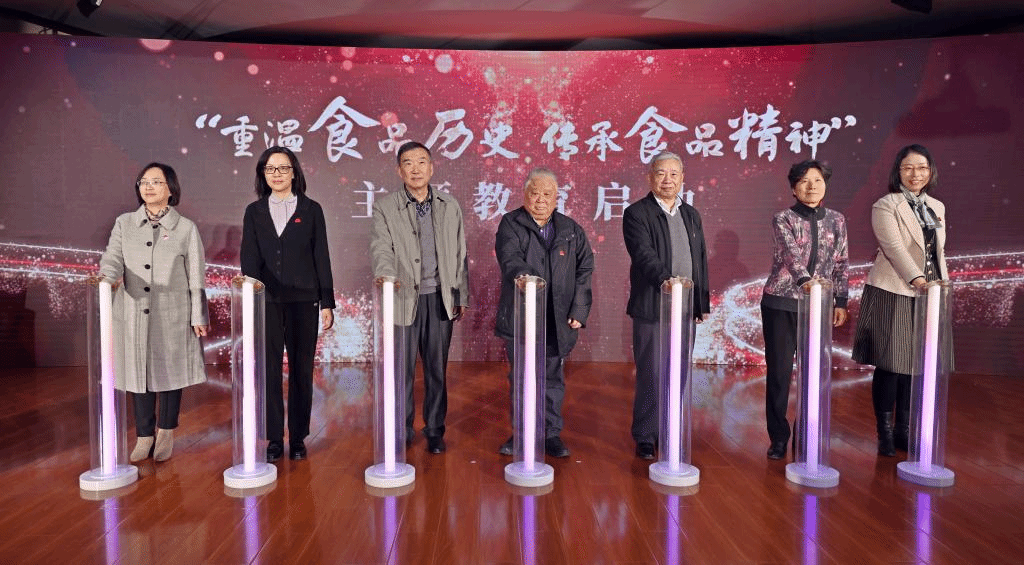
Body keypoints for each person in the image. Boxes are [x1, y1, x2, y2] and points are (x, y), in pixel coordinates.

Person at [98, 162, 209, 463]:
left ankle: (166, 432)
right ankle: (144, 435)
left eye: (156, 182)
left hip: (172, 312)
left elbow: (196, 276)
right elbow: (112, 258)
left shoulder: (186, 228)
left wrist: (198, 315)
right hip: (133, 311)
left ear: (171, 189)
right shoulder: (124, 223)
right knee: (139, 373)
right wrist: (107, 277)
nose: (148, 187)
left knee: (170, 372)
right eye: (144, 182)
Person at [370, 141, 470, 454]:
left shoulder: (449, 205)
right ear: (399, 171)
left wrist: (460, 294)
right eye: (408, 163)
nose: (416, 169)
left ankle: (435, 430)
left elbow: (460, 253)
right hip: (402, 298)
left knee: (436, 370)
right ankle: (401, 430)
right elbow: (381, 248)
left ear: (432, 167)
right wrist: (386, 275)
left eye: (422, 162)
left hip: (439, 298)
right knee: (401, 371)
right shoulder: (386, 207)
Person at [853, 144, 950, 457]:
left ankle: (902, 431)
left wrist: (941, 284)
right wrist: (918, 280)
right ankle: (883, 432)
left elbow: (937, 251)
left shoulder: (936, 206)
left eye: (922, 167)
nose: (915, 174)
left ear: (930, 171)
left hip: (927, 296)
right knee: (891, 364)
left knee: (914, 366)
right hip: (892, 290)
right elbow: (893, 249)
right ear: (898, 172)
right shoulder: (886, 205)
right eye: (908, 168)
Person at [240, 146, 335, 462]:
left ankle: (297, 438)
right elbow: (249, 257)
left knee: (301, 369)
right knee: (268, 369)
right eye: (270, 169)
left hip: (304, 301)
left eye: (283, 168)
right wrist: (252, 296)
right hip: (266, 301)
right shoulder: (254, 211)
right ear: (263, 175)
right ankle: (273, 438)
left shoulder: (311, 209)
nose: (276, 174)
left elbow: (321, 256)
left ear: (294, 172)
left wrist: (327, 302)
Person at [494, 168, 594, 458]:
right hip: (522, 315)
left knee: (552, 379)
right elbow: (509, 258)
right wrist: (526, 277)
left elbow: (585, 268)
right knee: (523, 377)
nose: (540, 199)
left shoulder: (571, 229)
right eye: (534, 193)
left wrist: (579, 309)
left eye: (547, 194)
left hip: (557, 319)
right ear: (525, 194)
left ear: (556, 197)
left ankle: (550, 434)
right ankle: (522, 433)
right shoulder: (511, 223)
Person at [622, 151, 710, 460]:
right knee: (652, 372)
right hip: (653, 307)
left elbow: (700, 261)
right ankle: (646, 435)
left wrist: (700, 302)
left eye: (674, 174)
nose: (667, 180)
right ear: (650, 177)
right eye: (661, 173)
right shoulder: (637, 213)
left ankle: (670, 428)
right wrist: (666, 280)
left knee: (679, 371)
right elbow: (643, 254)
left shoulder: (691, 214)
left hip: (684, 308)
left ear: (683, 178)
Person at [760, 160, 849, 461]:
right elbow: (790, 255)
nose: (812, 187)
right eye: (804, 181)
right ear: (794, 188)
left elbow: (841, 262)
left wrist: (840, 301)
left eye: (818, 181)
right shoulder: (783, 218)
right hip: (781, 303)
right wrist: (806, 282)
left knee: (813, 374)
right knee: (780, 374)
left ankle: (805, 436)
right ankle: (778, 438)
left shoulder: (837, 220)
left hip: (818, 308)